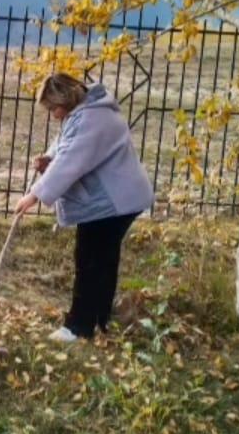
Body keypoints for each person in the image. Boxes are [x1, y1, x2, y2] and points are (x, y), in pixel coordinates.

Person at [13, 72, 154, 342]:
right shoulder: (86, 113)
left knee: (89, 260)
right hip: (116, 199)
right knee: (102, 259)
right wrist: (49, 158)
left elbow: (71, 161)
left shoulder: (93, 118)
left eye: (54, 108)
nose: (53, 115)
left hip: (113, 202)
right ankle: (99, 319)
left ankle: (79, 327)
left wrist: (33, 196)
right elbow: (64, 148)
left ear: (66, 99)